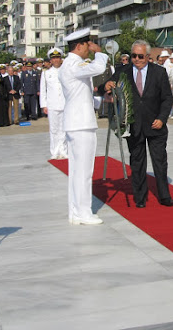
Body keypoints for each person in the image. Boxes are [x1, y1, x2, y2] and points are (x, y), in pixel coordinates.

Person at [103, 40, 173, 208]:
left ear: (148, 56)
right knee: (137, 162)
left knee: (160, 161)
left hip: (155, 124)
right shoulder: (123, 72)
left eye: (140, 56)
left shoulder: (159, 72)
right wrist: (106, 86)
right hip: (134, 125)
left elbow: (167, 98)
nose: (136, 59)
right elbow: (104, 88)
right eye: (134, 55)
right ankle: (140, 197)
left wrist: (162, 118)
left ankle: (164, 196)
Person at [59, 28, 109, 225]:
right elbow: (97, 68)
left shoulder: (70, 65)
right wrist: (100, 52)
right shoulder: (73, 65)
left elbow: (81, 93)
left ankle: (76, 211)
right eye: (87, 45)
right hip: (80, 124)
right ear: (79, 46)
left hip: (76, 122)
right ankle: (84, 212)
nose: (89, 49)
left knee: (77, 170)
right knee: (84, 171)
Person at [40, 48, 67, 160]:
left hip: (65, 104)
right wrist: (44, 105)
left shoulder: (65, 71)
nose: (56, 60)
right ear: (50, 60)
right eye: (53, 58)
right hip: (52, 104)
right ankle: (55, 151)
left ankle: (64, 150)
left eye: (58, 58)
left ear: (61, 59)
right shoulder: (46, 73)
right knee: (54, 129)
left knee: (65, 129)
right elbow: (43, 90)